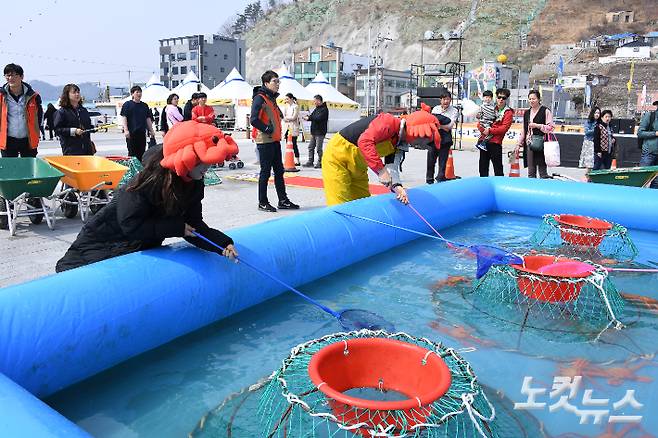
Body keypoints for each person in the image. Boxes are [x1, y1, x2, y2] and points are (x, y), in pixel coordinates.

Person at [55, 121, 238, 272]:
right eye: (201, 162)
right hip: (102, 243)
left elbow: (193, 226)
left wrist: (221, 244)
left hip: (138, 246)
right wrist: (175, 227)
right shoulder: (148, 180)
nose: (206, 168)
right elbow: (130, 224)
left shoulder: (194, 182)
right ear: (185, 158)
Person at [321, 104, 442, 206]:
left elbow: (392, 166)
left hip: (358, 166)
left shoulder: (400, 143)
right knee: (340, 202)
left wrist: (397, 187)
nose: (420, 144)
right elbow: (364, 142)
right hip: (337, 157)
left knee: (363, 201)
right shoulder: (388, 122)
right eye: (422, 140)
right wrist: (381, 170)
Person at [250, 70, 299, 212]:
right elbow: (254, 119)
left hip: (275, 140)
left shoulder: (271, 98)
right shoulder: (260, 98)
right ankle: (262, 202)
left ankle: (283, 200)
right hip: (264, 141)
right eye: (275, 81)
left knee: (279, 171)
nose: (278, 84)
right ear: (266, 83)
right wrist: (266, 129)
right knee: (265, 172)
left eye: (278, 81)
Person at [0, 63, 41, 157]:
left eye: (14, 75)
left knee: (28, 169)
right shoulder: (1, 96)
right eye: (8, 75)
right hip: (8, 140)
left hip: (28, 139)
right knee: (10, 169)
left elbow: (39, 116)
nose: (11, 78)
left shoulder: (33, 96)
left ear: (22, 77)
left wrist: (37, 131)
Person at [516, 89, 554, 178]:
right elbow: (524, 129)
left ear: (539, 99)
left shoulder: (545, 111)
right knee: (531, 171)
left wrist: (538, 126)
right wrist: (519, 143)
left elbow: (551, 128)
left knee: (542, 172)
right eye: (530, 99)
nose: (531, 101)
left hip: (542, 143)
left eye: (534, 99)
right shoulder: (527, 113)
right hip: (529, 143)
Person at [477, 88, 514, 177]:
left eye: (503, 98)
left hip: (495, 142)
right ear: (496, 97)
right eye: (499, 97)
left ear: (506, 99)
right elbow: (480, 121)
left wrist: (490, 130)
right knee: (482, 167)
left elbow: (504, 128)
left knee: (498, 169)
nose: (501, 99)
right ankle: (484, 186)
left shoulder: (508, 112)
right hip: (484, 141)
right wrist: (482, 128)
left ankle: (499, 187)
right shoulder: (490, 107)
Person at [53, 84, 95, 155]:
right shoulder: (62, 112)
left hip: (87, 150)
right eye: (74, 92)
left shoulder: (83, 110)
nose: (77, 94)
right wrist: (73, 131)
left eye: (78, 92)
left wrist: (94, 128)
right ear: (67, 95)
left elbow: (87, 127)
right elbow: (57, 130)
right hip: (71, 150)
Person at [429, 90, 460, 181]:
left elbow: (449, 126)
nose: (446, 101)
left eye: (448, 99)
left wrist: (438, 125)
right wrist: (441, 125)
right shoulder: (435, 109)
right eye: (444, 99)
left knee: (443, 161)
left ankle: (440, 178)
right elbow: (431, 123)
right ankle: (429, 179)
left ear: (450, 100)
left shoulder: (454, 110)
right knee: (431, 160)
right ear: (440, 100)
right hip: (434, 137)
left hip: (446, 138)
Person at [120, 85, 156, 162]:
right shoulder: (127, 105)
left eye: (140, 92)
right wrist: (126, 130)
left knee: (142, 153)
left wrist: (151, 130)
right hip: (131, 133)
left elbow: (148, 119)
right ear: (132, 94)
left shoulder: (144, 106)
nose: (139, 94)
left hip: (142, 133)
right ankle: (133, 171)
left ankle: (140, 171)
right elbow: (124, 117)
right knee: (132, 153)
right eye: (137, 92)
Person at [302, 94, 329, 168]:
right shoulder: (316, 108)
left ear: (318, 100)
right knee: (310, 147)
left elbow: (318, 118)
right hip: (314, 132)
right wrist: (308, 117)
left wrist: (310, 118)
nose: (314, 102)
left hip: (320, 132)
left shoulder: (324, 109)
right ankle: (310, 161)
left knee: (318, 148)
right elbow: (312, 116)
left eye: (314, 101)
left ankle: (320, 162)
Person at [579, 106, 600, 174]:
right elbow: (587, 132)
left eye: (598, 113)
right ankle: (587, 178)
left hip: (597, 144)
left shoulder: (600, 123)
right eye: (595, 113)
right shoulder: (589, 122)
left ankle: (590, 178)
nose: (597, 114)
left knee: (595, 163)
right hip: (589, 143)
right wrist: (596, 129)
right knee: (589, 164)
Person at [638, 100, 658, 170]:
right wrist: (655, 133)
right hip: (649, 153)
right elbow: (640, 133)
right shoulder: (649, 115)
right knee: (643, 177)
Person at [282, 92, 301, 165]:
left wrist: (287, 118)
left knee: (294, 144)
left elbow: (294, 117)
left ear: (291, 99)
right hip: (287, 127)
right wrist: (286, 118)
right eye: (285, 99)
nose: (286, 100)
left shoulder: (295, 106)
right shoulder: (286, 106)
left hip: (293, 127)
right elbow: (283, 116)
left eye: (287, 99)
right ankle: (289, 159)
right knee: (288, 144)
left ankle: (297, 160)